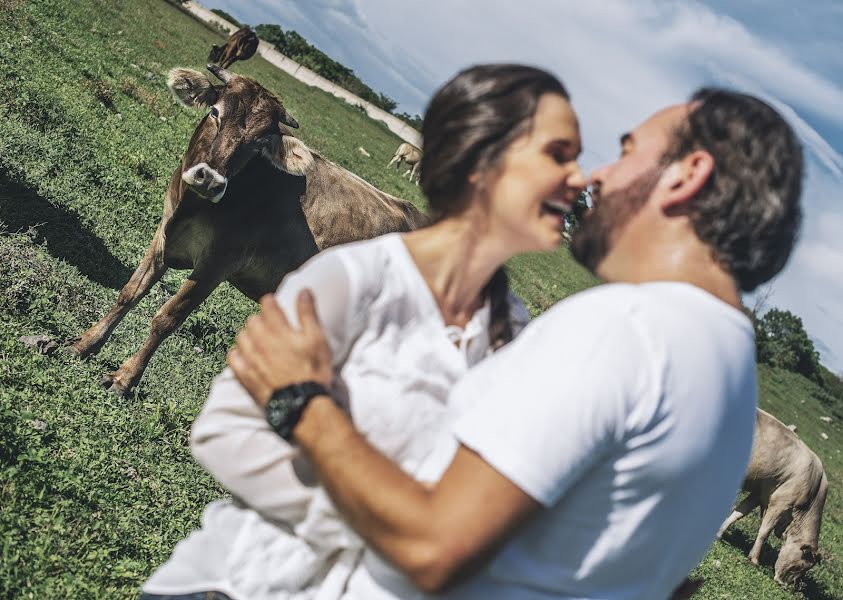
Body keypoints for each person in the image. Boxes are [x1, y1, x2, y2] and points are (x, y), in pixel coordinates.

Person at [229, 88, 804, 599]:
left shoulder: (626, 329)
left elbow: (434, 544)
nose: (591, 178)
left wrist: (298, 398)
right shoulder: (729, 371)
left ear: (688, 174)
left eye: (628, 152)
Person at [141, 64, 585, 600]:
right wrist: (397, 534)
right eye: (556, 156)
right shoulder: (350, 275)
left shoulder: (515, 336)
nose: (579, 180)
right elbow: (222, 434)